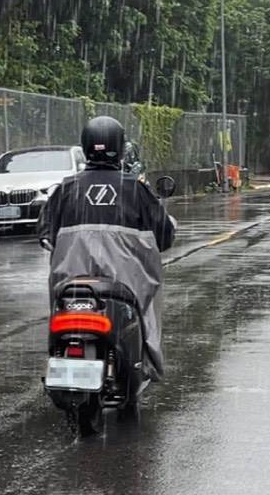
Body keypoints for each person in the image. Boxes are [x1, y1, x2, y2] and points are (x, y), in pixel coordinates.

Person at [38, 116, 176, 381]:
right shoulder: (135, 188)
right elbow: (164, 236)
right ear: (120, 147)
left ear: (86, 146)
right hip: (125, 283)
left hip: (70, 281)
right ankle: (145, 361)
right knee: (146, 307)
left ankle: (57, 356)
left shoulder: (67, 189)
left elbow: (44, 233)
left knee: (57, 309)